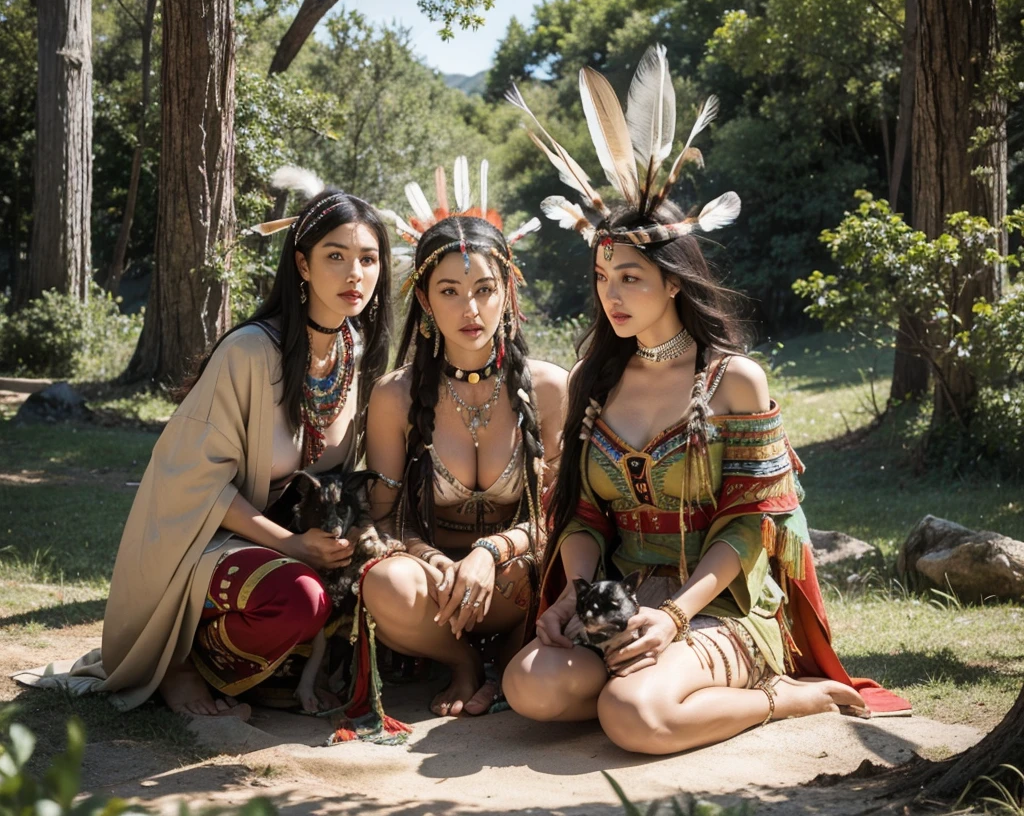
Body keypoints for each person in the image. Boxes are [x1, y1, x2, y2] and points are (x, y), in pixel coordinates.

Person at [500, 46, 909, 753]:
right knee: (529, 687)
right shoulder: (594, 380)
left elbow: (753, 528)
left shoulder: (734, 381)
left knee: (635, 719)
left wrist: (676, 617)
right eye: (603, 276)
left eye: (630, 276)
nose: (612, 294)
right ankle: (647, 676)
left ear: (675, 282)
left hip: (718, 601)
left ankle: (779, 697)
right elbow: (586, 514)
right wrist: (576, 594)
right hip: (623, 595)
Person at [15, 170, 392, 721]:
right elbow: (193, 481)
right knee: (301, 599)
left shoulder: (356, 353)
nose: (354, 273)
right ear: (302, 264)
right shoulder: (248, 352)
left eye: (368, 258)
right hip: (201, 539)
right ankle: (181, 664)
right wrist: (289, 545)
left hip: (289, 544)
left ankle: (266, 672)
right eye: (335, 256)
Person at [362, 159, 567, 718]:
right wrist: (433, 559)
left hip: (515, 580)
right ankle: (463, 662)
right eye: (450, 291)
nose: (470, 309)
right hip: (433, 589)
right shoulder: (394, 397)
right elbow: (382, 519)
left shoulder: (549, 387)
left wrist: (490, 551)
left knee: (564, 564)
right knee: (384, 584)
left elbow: (562, 513)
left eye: (484, 288)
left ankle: (510, 644)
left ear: (508, 292)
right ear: (425, 301)